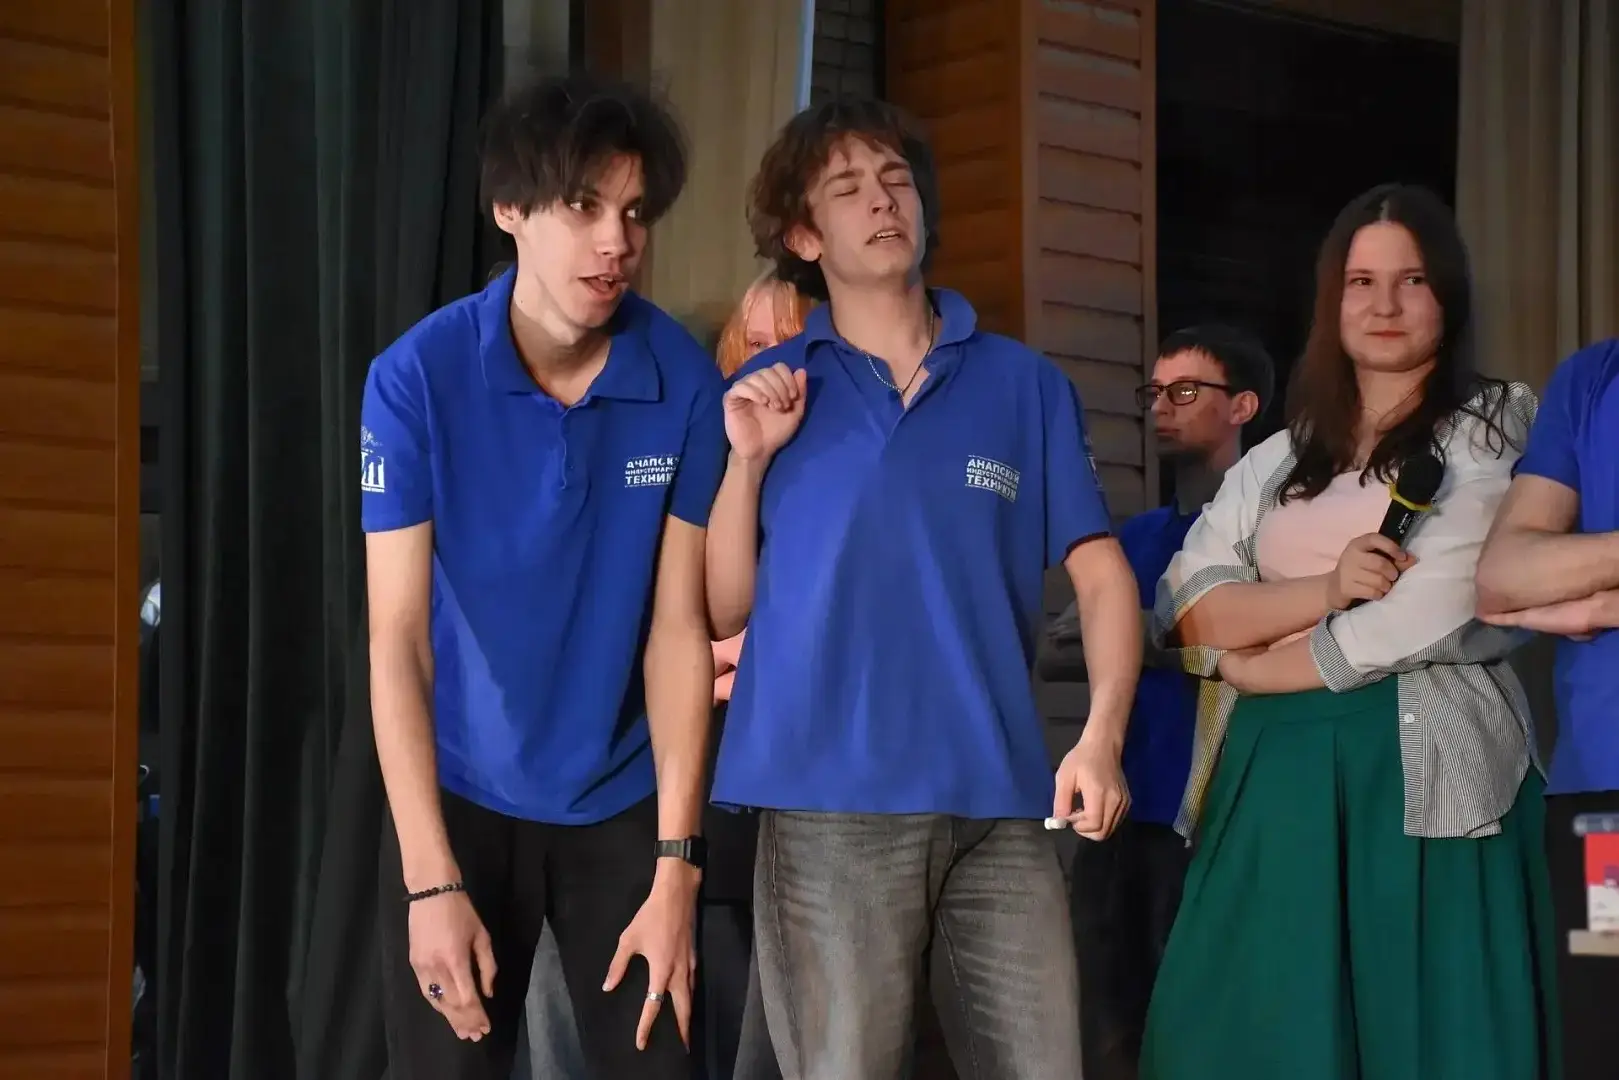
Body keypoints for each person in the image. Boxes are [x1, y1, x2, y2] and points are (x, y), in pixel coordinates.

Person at [705, 96, 1141, 1080]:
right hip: (827, 803)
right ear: (803, 235)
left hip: (999, 800)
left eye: (895, 179)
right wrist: (746, 460)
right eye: (847, 189)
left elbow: (1102, 575)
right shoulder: (771, 389)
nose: (881, 201)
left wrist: (1100, 738)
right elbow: (724, 607)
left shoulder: (1023, 384)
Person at [1140, 184, 1560, 1080]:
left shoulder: (1496, 422)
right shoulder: (1279, 454)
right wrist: (1327, 590)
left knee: (1424, 1032)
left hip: (1421, 768)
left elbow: (1449, 598)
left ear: (1448, 295)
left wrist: (1261, 666)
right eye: (1360, 282)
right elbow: (1191, 606)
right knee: (1242, 1029)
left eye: (1412, 280)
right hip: (1269, 765)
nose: (1383, 304)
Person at [360, 73, 726, 1080]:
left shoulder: (684, 383)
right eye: (582, 206)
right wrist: (430, 883)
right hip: (462, 790)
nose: (616, 241)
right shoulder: (414, 379)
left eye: (634, 212)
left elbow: (677, 628)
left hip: (622, 795)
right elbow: (397, 639)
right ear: (509, 210)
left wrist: (678, 867)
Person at [1051, 325, 1273, 1080]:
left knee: (1200, 1026)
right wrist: (1173, 635)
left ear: (1242, 406)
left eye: (1185, 391)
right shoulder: (1139, 535)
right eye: (1153, 393)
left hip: (1212, 814)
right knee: (1104, 1023)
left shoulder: (1271, 528)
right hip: (1116, 809)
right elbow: (1057, 647)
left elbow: (1268, 641)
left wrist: (1143, 635)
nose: (1161, 408)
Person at [1475, 337, 1619, 1080]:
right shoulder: (1593, 377)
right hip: (1602, 804)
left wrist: (1587, 594)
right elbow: (1503, 576)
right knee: (1601, 1032)